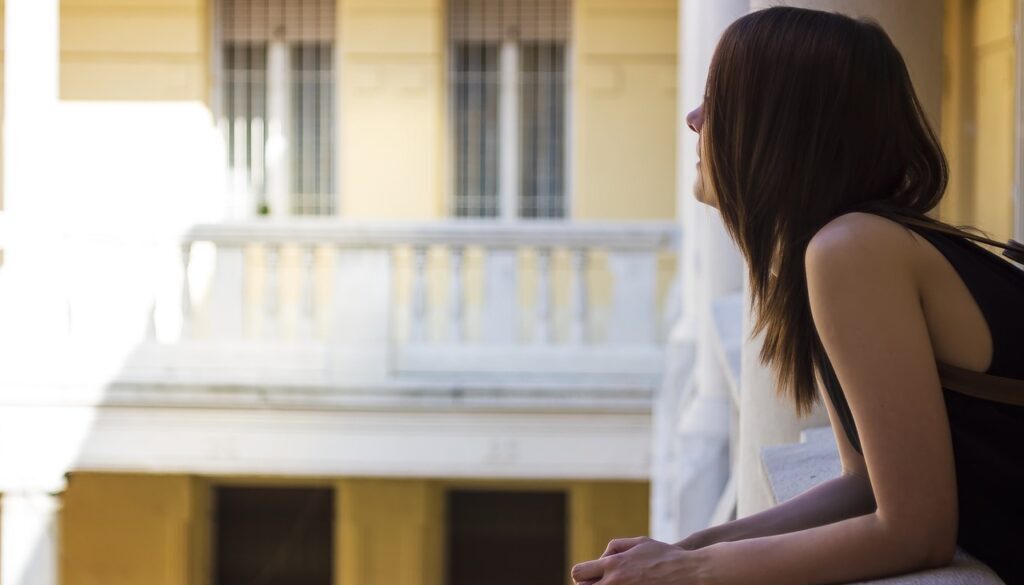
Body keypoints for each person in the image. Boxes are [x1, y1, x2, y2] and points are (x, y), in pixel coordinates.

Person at [570, 6, 1023, 585]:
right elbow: (865, 485)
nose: (694, 118)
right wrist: (687, 547)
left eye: (718, 98)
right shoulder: (851, 246)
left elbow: (916, 530)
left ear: (778, 124)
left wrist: (698, 569)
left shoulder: (853, 249)